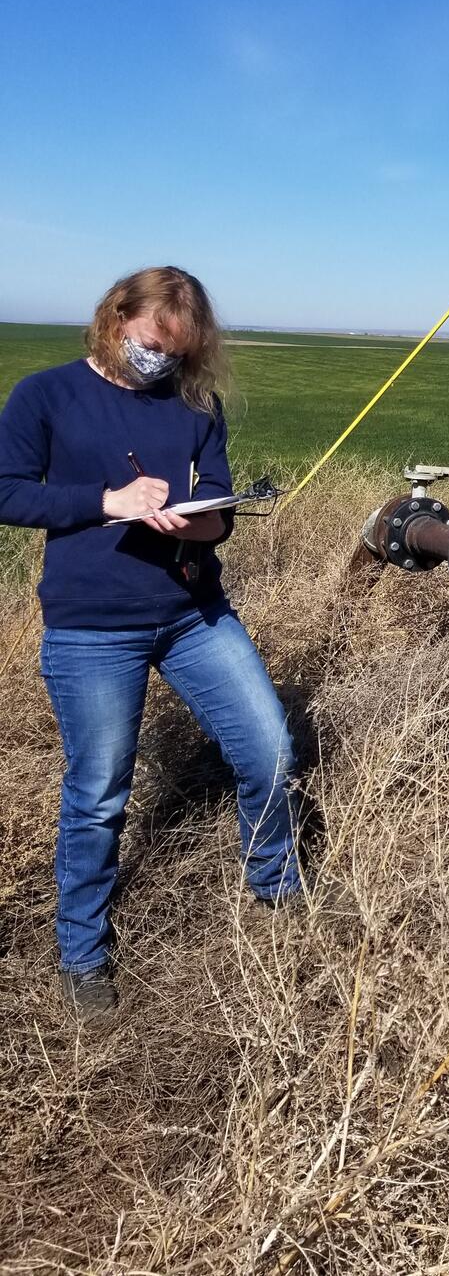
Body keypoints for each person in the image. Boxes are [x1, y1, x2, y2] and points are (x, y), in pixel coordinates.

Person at [0, 265, 299, 1018]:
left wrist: (203, 519)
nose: (159, 360)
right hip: (92, 625)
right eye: (147, 343)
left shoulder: (197, 404)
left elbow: (220, 508)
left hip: (194, 610)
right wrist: (110, 502)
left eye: (175, 349)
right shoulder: (47, 394)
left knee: (270, 750)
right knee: (99, 794)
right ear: (115, 318)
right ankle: (83, 955)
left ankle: (278, 893)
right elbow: (6, 489)